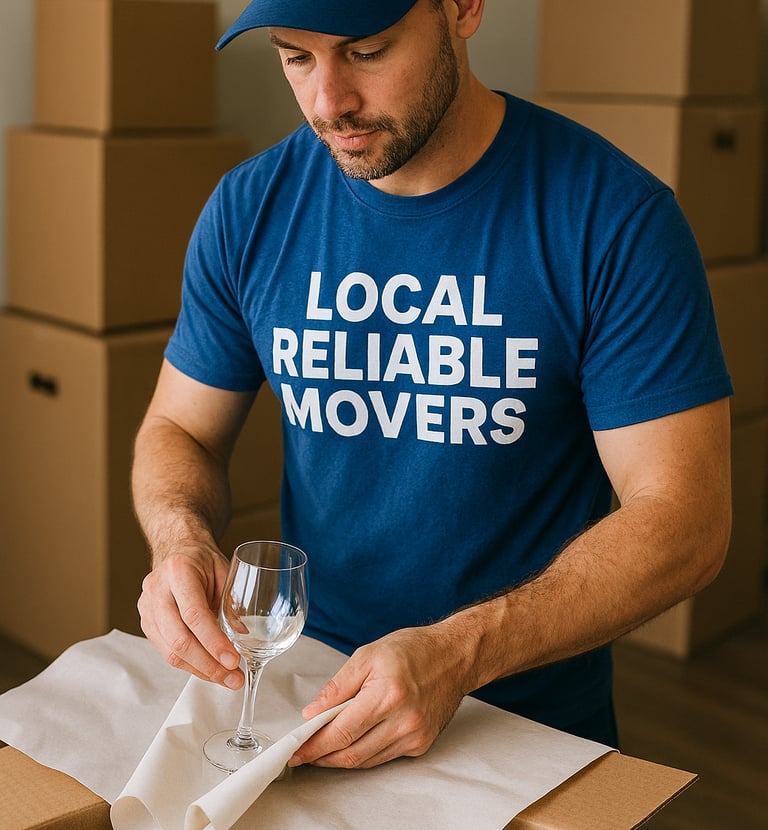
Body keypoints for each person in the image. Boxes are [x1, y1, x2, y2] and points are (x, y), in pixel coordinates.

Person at [131, 0, 733, 770]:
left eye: (368, 50)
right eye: (295, 57)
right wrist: (178, 539)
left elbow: (687, 521)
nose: (328, 102)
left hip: (525, 727)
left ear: (462, 8)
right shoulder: (249, 209)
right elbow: (179, 428)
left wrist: (462, 651)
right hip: (313, 705)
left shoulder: (615, 219)